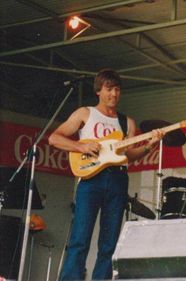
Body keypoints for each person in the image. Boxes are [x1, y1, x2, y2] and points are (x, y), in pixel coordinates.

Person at [49, 69, 163, 280]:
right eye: (109, 89)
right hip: (91, 180)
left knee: (109, 243)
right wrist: (80, 147)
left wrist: (149, 146)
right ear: (98, 91)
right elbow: (55, 138)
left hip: (118, 179)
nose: (114, 94)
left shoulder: (126, 122)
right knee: (80, 238)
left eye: (117, 89)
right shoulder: (85, 113)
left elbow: (129, 156)